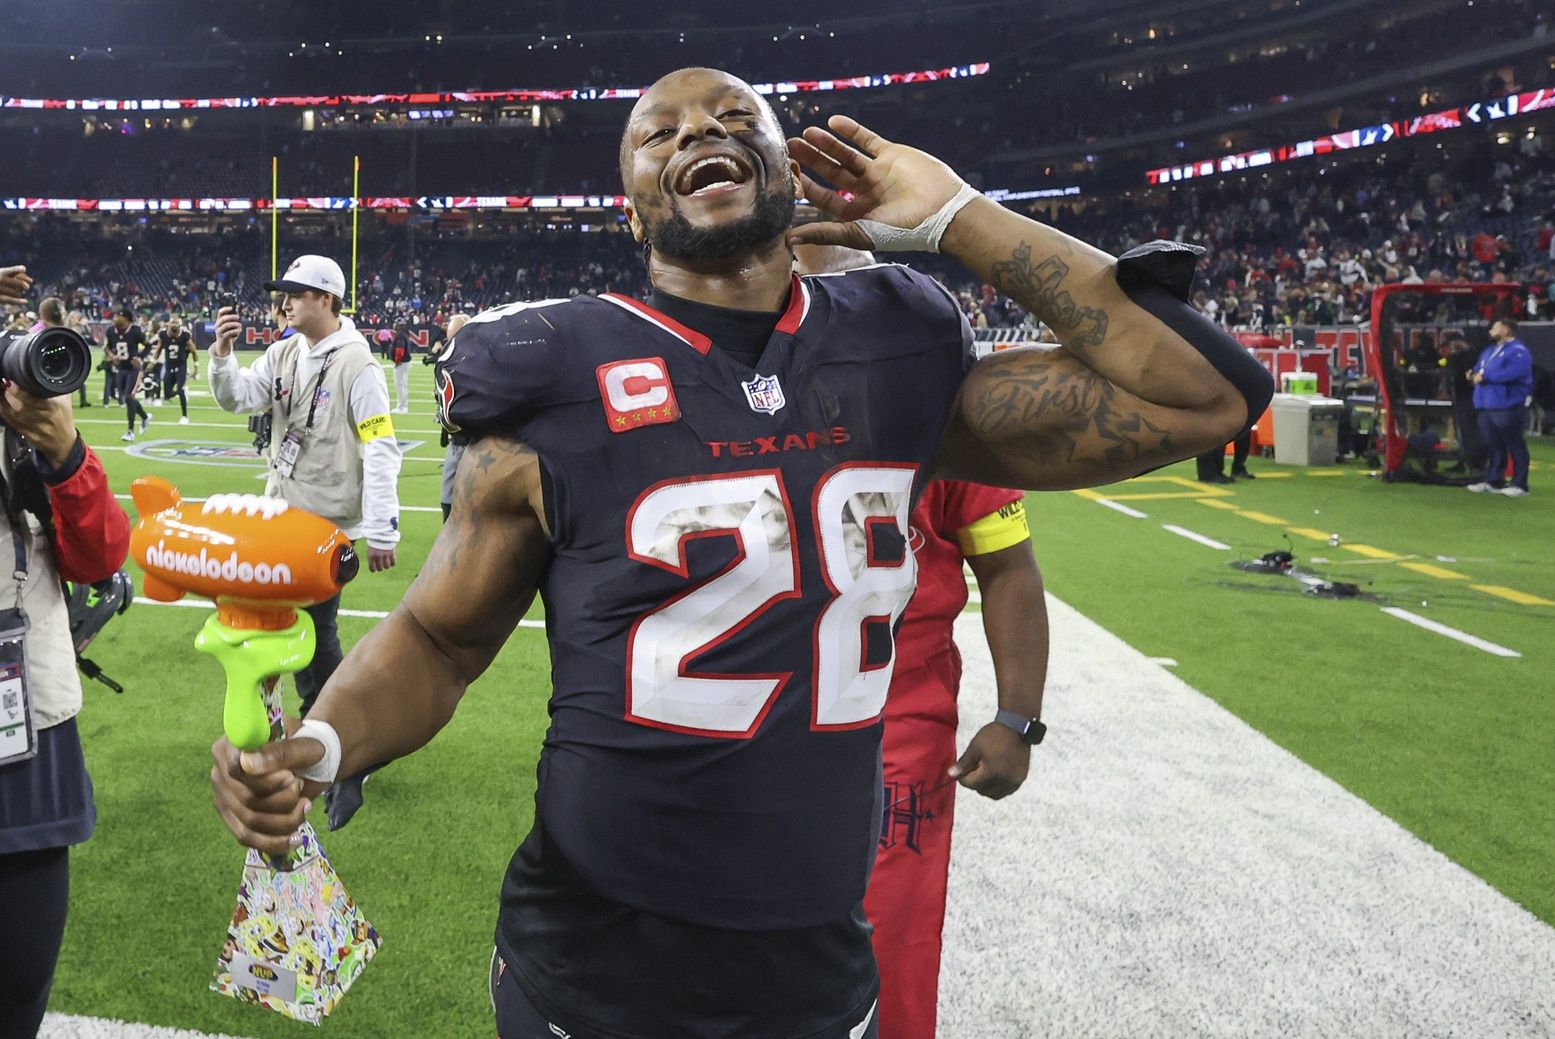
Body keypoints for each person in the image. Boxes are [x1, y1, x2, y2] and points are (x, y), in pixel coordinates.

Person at [209, 68, 1271, 1039]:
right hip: (593, 960)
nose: (696, 133)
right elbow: (440, 636)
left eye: (731, 120)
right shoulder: (553, 372)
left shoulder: (892, 353)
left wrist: (955, 216)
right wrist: (325, 746)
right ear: (631, 202)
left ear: (789, 171)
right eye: (657, 132)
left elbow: (1205, 391)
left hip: (813, 957)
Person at [206, 254, 402, 829]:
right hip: (281, 519)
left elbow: (380, 445)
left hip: (325, 527)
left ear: (325, 298)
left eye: (293, 294)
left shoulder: (357, 365)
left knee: (317, 643)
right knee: (291, 639)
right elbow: (240, 398)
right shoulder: (285, 350)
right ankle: (310, 743)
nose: (282, 303)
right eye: (282, 294)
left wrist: (383, 526)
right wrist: (221, 356)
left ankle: (342, 758)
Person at [0, 267, 132, 1039]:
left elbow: (98, 556)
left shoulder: (33, 420)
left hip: (29, 728)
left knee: (19, 992)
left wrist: (65, 453)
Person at [867, 481, 1047, 1039]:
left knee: (885, 944)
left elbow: (1008, 566)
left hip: (893, 718)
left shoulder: (934, 396)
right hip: (724, 719)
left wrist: (1018, 718)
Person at [1466, 317, 1533, 496]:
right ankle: (1494, 480)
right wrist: (1472, 374)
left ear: (1506, 329)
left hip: (1507, 404)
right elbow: (1479, 369)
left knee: (1514, 444)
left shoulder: (1518, 350)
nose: (1490, 331)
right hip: (1486, 404)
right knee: (1493, 444)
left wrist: (1485, 376)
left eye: (1495, 327)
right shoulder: (1489, 350)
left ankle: (1520, 484)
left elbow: (1514, 373)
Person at [433, 312, 470, 521]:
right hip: (457, 440)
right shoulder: (447, 361)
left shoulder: (476, 360)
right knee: (448, 494)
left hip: (475, 440)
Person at [104, 311, 149, 443]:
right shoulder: (111, 331)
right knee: (126, 398)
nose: (115, 318)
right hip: (121, 368)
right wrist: (112, 356)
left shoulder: (135, 331)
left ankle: (130, 432)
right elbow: (107, 347)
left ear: (127, 319)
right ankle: (145, 417)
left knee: (129, 396)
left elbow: (148, 345)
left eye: (118, 316)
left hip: (133, 368)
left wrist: (139, 357)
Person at [155, 314, 198, 425]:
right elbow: (158, 348)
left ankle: (184, 416)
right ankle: (181, 392)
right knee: (167, 394)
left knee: (180, 390)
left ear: (179, 325)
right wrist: (153, 362)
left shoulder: (185, 335)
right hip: (169, 366)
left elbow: (193, 351)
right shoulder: (163, 334)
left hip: (180, 366)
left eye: (176, 323)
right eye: (172, 322)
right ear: (169, 324)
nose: (174, 325)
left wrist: (196, 368)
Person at [390, 322, 413, 413]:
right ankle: (403, 406)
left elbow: (400, 348)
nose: (394, 325)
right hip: (404, 362)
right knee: (402, 384)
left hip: (402, 363)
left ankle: (402, 407)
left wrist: (397, 359)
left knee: (400, 385)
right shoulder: (403, 335)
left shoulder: (400, 335)